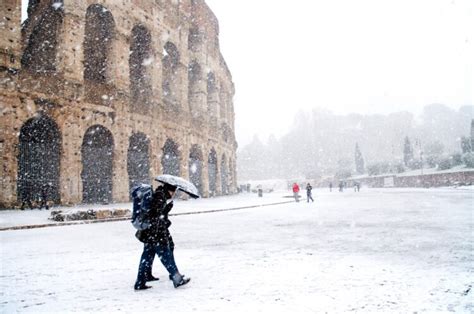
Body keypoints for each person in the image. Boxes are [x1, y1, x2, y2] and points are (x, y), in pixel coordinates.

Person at [134, 183, 190, 290]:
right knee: (166, 256)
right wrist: (166, 210)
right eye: (173, 192)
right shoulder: (160, 197)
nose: (173, 194)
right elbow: (156, 215)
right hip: (156, 234)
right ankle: (177, 279)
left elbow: (154, 213)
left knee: (146, 257)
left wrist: (166, 208)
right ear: (170, 191)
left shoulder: (158, 195)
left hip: (149, 233)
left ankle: (140, 282)